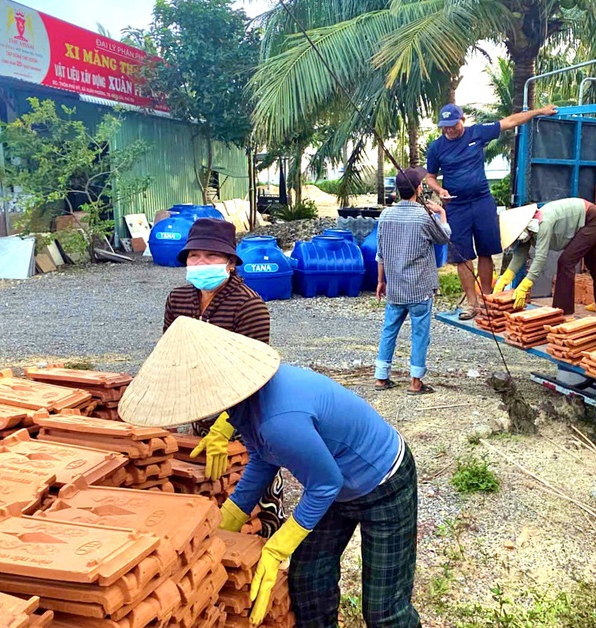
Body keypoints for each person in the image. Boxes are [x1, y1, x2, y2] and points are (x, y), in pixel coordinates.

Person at [120, 317, 420, 628]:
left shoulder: (279, 420)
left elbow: (325, 484)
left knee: (384, 610)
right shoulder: (246, 404)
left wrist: (278, 547)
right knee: (309, 580)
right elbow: (264, 458)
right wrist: (229, 518)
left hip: (383, 482)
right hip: (334, 485)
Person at [161, 217, 285, 537]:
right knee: (206, 489)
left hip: (246, 417)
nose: (201, 263)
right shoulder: (178, 300)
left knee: (255, 497)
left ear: (230, 262)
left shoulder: (249, 305)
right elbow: (170, 359)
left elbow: (254, 375)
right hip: (199, 411)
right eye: (194, 256)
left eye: (211, 256)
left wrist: (225, 427)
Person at [425, 102, 558, 320]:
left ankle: (487, 300)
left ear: (462, 121)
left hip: (482, 202)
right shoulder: (436, 147)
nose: (449, 130)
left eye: (452, 125)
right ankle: (471, 303)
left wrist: (540, 112)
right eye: (445, 126)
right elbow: (429, 176)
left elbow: (510, 121)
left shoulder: (477, 133)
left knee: (486, 250)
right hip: (456, 206)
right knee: (462, 256)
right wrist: (440, 189)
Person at [374, 167, 452, 395]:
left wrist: (381, 281)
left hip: (395, 286)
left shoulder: (386, 215)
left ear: (398, 190)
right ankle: (415, 382)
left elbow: (380, 253)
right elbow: (444, 237)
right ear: (418, 189)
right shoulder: (423, 216)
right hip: (419, 288)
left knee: (389, 330)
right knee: (420, 334)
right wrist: (441, 213)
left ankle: (381, 377)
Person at [494, 197, 596, 314]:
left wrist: (525, 285)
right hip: (584, 220)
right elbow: (520, 254)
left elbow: (540, 257)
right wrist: (505, 278)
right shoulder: (528, 229)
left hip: (592, 219)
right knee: (594, 263)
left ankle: (563, 312)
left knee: (566, 262)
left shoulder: (543, 223)